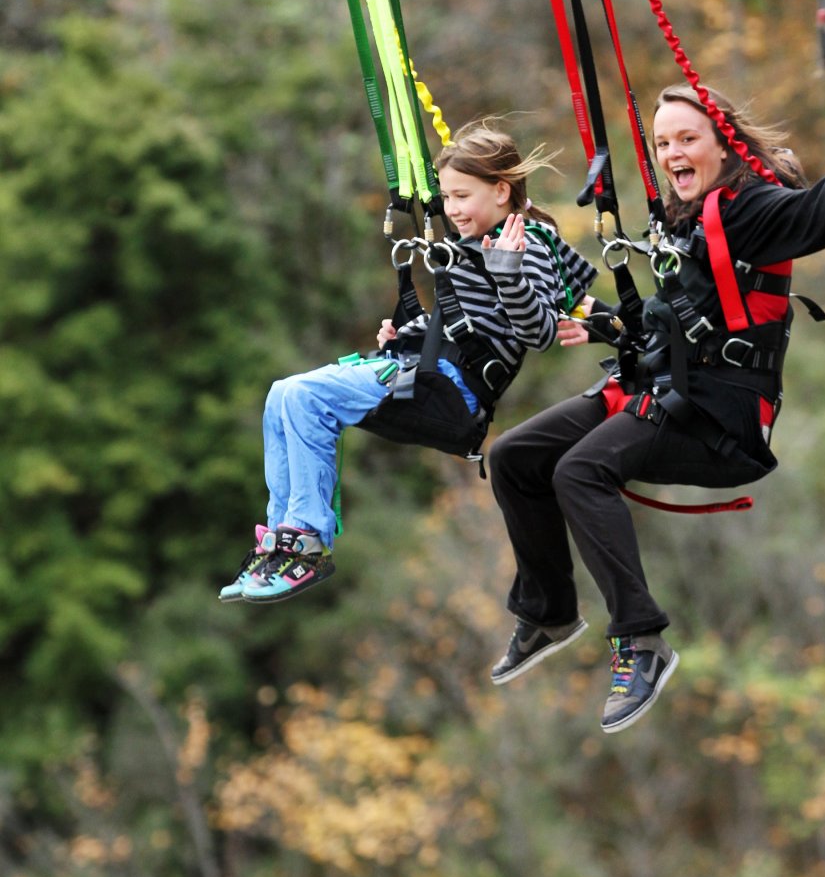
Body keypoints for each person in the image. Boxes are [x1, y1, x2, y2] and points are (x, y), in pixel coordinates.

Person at [487, 50, 825, 735]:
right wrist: (608, 326)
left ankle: (641, 641)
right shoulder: (682, 218)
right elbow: (679, 312)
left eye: (687, 139)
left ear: (721, 146)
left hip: (718, 416)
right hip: (663, 387)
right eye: (663, 143)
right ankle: (550, 609)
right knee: (515, 456)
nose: (673, 153)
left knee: (579, 470)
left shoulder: (755, 210)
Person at [221, 121, 596, 604]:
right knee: (280, 394)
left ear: (502, 191)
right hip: (427, 367)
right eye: (448, 198)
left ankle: (307, 543)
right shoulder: (476, 246)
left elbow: (538, 330)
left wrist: (509, 273)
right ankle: (282, 541)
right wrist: (410, 331)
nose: (453, 210)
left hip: (451, 389)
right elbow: (474, 321)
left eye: (462, 196)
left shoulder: (530, 244)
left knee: (303, 396)